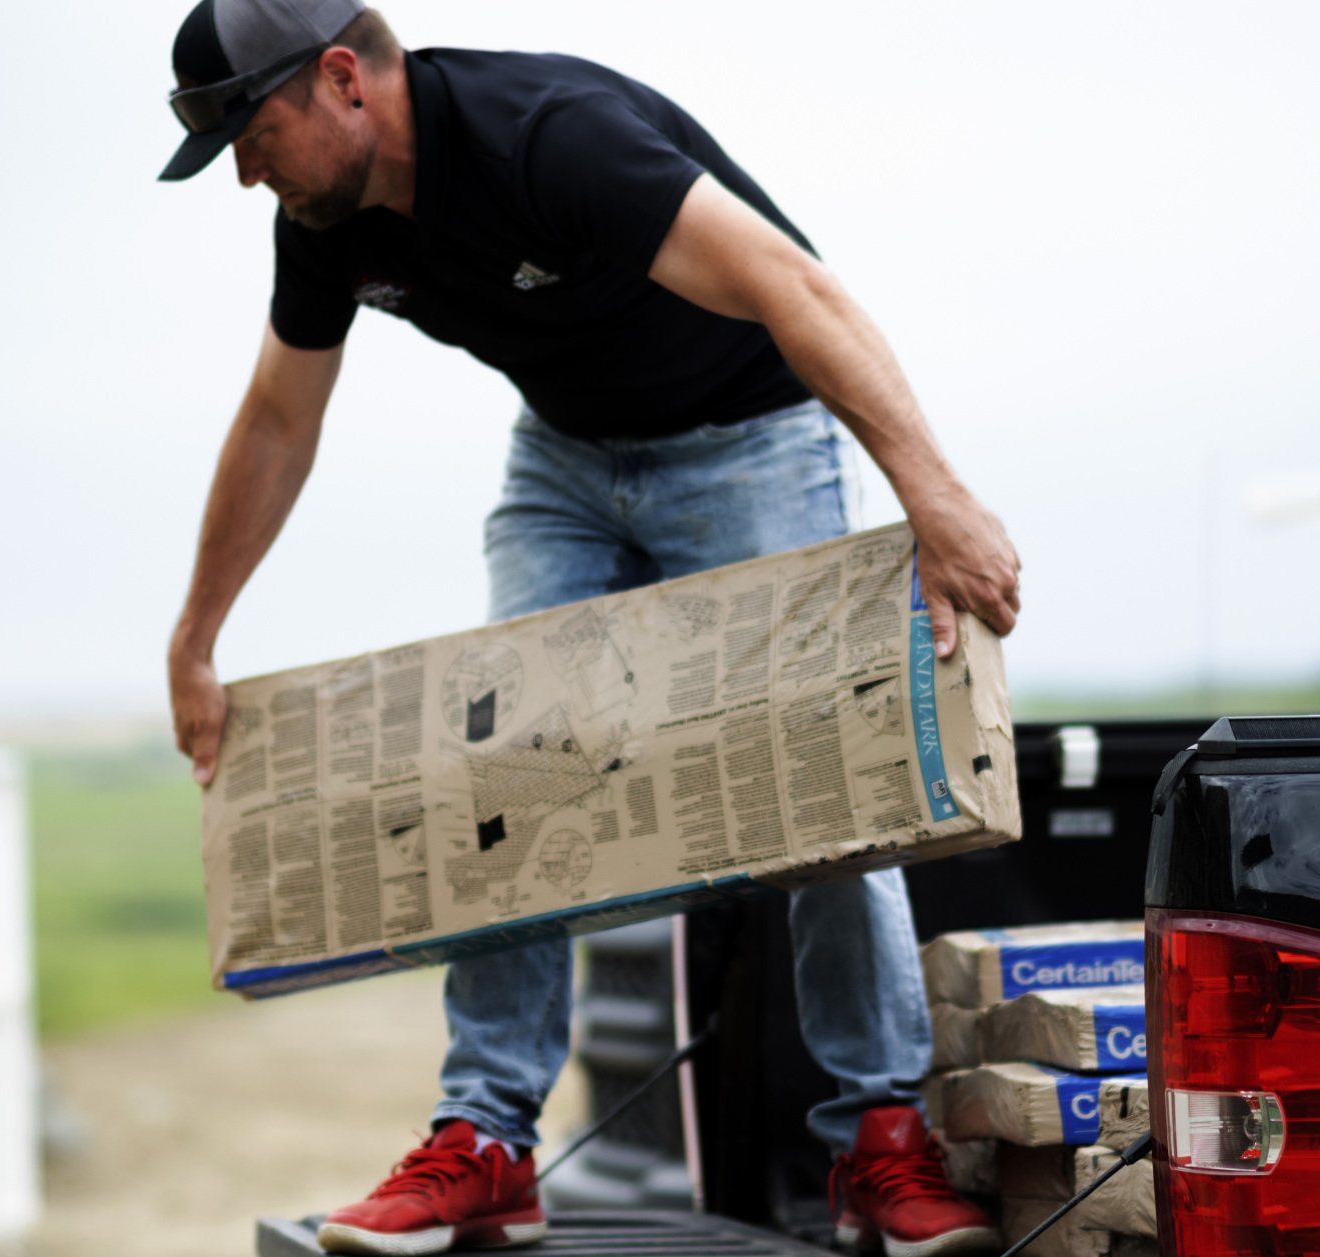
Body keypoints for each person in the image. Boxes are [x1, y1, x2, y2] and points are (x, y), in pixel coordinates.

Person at [159, 3, 1022, 1254]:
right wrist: (198, 636)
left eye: (253, 129)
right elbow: (279, 419)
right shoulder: (325, 223)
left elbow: (793, 284)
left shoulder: (547, 136)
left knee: (829, 779)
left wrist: (934, 499)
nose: (246, 167)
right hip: (564, 465)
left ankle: (880, 1140)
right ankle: (490, 1141)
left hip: (745, 437)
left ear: (342, 78)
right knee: (501, 772)